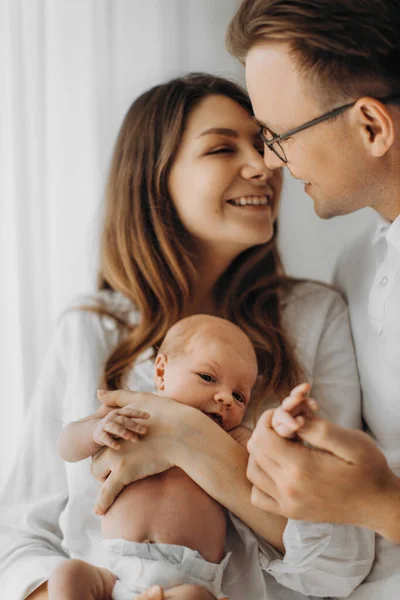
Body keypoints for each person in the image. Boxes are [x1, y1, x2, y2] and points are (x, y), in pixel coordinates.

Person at [0, 73, 374, 600]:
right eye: (222, 147)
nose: (264, 164)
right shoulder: (91, 330)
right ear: (154, 177)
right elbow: (17, 534)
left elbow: (343, 563)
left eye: (264, 141)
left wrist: (188, 438)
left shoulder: (314, 317)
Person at [225, 0, 400, 597]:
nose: (269, 160)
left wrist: (380, 505)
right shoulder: (356, 266)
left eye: (279, 133)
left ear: (371, 127)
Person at [49, 314, 259, 600]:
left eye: (239, 396)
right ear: (161, 372)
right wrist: (95, 430)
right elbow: (65, 445)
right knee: (67, 574)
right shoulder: (131, 410)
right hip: (115, 573)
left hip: (188, 578)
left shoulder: (231, 440)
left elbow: (259, 474)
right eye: (208, 378)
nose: (225, 397)